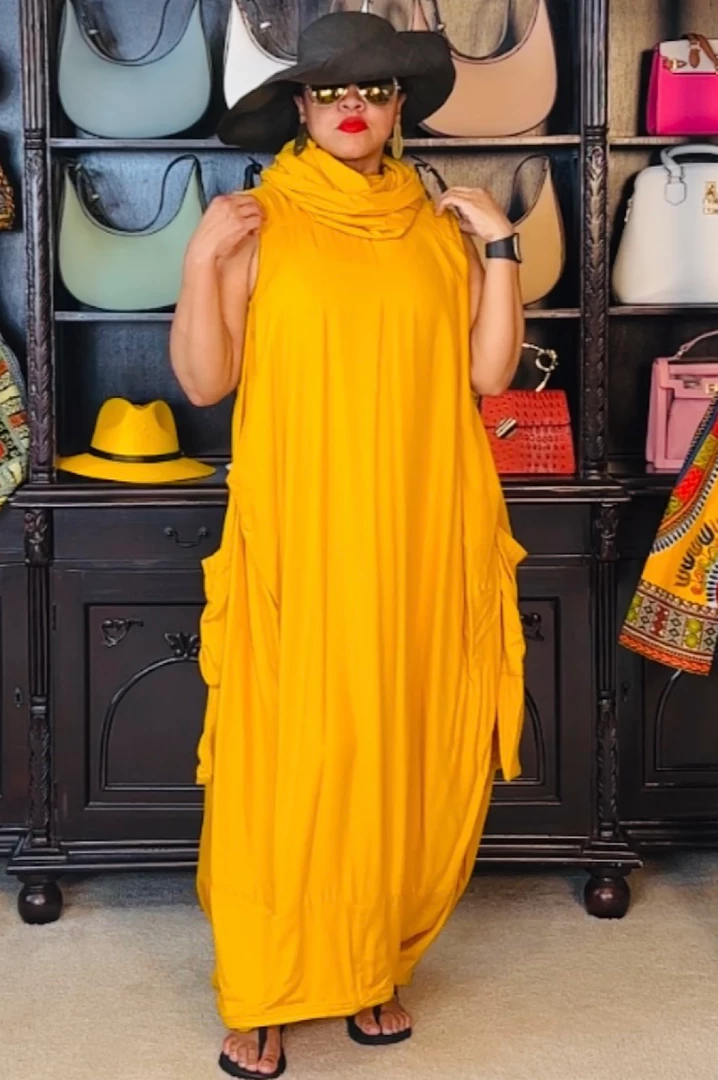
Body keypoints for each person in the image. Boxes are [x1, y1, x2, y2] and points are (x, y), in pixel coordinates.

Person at [170, 11, 527, 1078]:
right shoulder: (258, 220)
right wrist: (200, 259)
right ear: (301, 108)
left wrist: (499, 248)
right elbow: (204, 381)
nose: (353, 106)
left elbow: (490, 375)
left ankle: (371, 964)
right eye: (330, 91)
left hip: (418, 526)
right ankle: (265, 984)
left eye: (373, 88)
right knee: (287, 755)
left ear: (400, 104)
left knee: (395, 745)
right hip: (300, 526)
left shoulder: (437, 228)